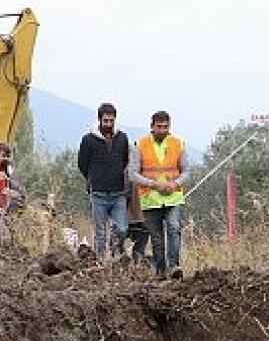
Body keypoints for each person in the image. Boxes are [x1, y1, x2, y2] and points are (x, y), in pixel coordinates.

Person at [129, 111, 189, 279]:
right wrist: (153, 184)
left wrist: (175, 183)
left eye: (165, 127)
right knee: (156, 238)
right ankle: (160, 271)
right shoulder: (140, 145)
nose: (162, 130)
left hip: (173, 197)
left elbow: (186, 171)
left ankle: (174, 266)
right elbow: (132, 174)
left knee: (174, 228)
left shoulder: (178, 144)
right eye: (159, 127)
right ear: (152, 126)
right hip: (150, 199)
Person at [77, 103, 131, 259]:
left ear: (115, 120)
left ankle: (115, 253)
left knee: (122, 229)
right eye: (105, 121)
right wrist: (93, 177)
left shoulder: (122, 138)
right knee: (100, 233)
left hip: (118, 193)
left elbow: (125, 160)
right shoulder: (88, 140)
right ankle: (101, 264)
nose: (108, 124)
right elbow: (82, 163)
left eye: (111, 121)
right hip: (98, 193)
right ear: (99, 120)